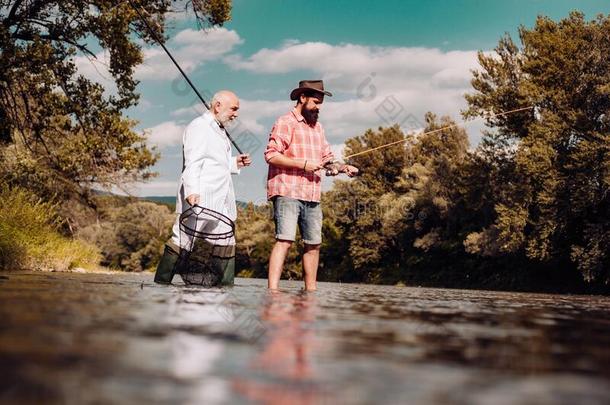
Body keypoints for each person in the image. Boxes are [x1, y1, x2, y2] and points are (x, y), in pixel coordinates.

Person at [264, 80, 358, 291]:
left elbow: (327, 159)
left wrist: (341, 168)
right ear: (302, 98)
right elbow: (271, 155)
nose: (319, 108)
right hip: (287, 191)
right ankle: (273, 292)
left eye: (321, 103)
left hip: (313, 195)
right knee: (285, 241)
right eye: (316, 102)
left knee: (313, 244)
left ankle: (311, 292)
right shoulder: (285, 122)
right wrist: (304, 164)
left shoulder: (319, 128)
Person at [154, 90, 251, 285]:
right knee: (182, 241)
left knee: (227, 243)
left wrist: (235, 163)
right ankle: (160, 286)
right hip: (200, 199)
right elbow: (193, 161)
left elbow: (215, 163)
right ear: (217, 106)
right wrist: (191, 191)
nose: (236, 114)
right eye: (233, 109)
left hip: (221, 202)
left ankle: (224, 290)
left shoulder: (219, 129)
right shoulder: (199, 126)